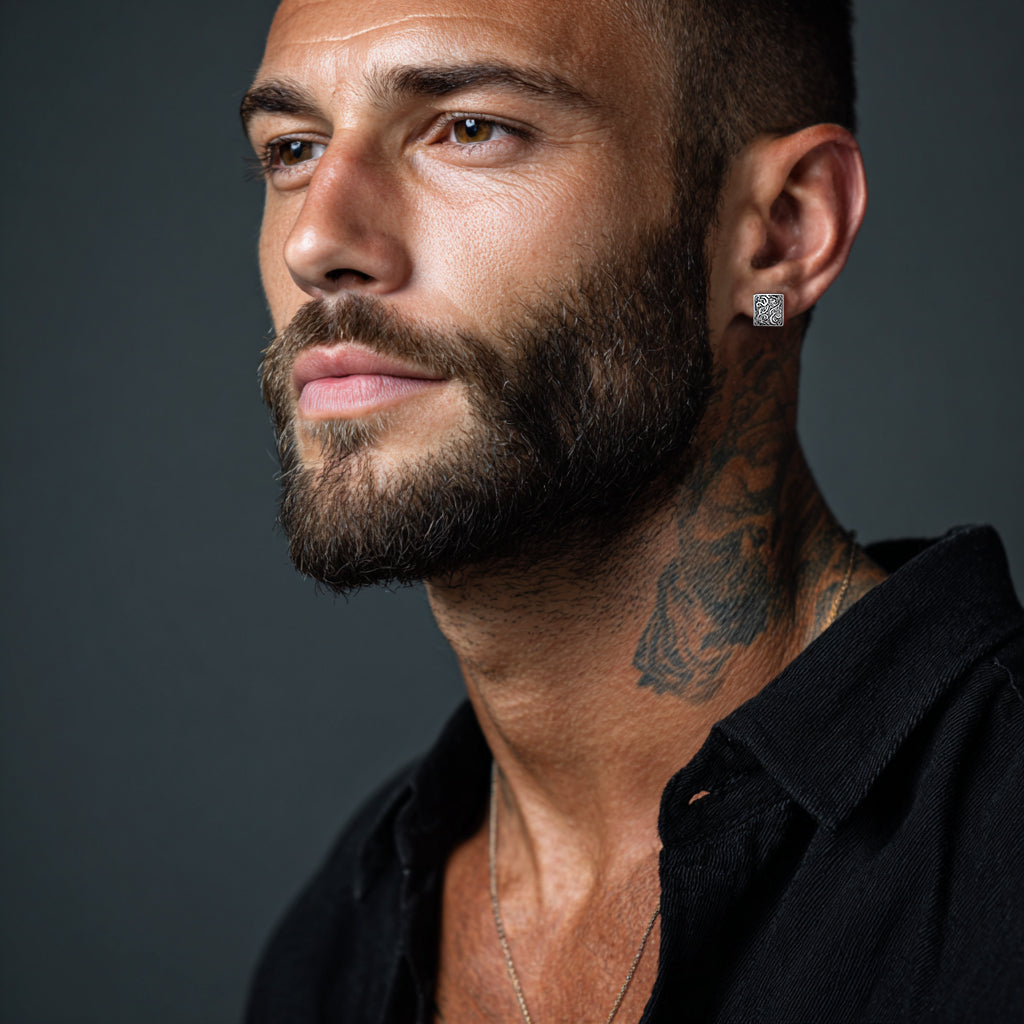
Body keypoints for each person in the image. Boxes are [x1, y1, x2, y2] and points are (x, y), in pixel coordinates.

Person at [240, 0, 1024, 1020]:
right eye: (292, 148)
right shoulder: (333, 948)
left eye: (468, 128)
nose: (317, 240)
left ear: (782, 233)